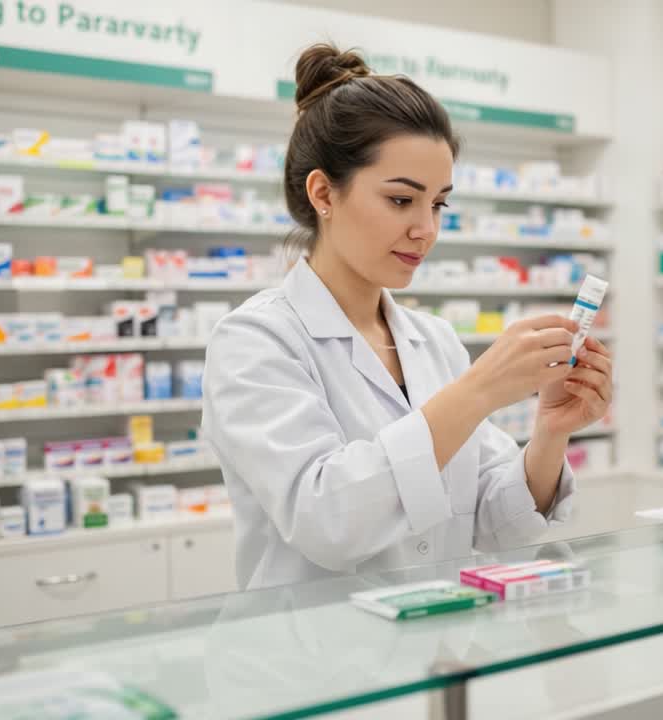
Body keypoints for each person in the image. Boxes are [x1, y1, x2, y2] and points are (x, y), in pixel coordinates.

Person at [202, 44, 613, 590]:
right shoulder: (256, 341)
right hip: (310, 664)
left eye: (439, 203)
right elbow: (327, 522)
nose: (427, 229)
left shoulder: (433, 340)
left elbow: (498, 524)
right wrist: (479, 391)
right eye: (401, 201)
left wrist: (550, 433)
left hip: (434, 649)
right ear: (323, 192)